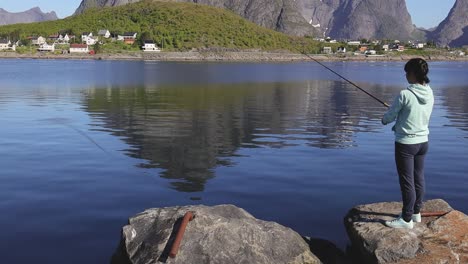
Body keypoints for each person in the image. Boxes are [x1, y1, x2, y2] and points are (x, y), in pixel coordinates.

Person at [381, 58, 434, 229]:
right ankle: (416, 213)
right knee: (419, 177)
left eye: (407, 72)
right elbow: (413, 113)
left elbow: (388, 118)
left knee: (407, 181)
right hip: (423, 142)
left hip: (406, 144)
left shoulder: (405, 94)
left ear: (413, 74)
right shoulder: (430, 92)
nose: (405, 75)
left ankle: (406, 219)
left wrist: (387, 116)